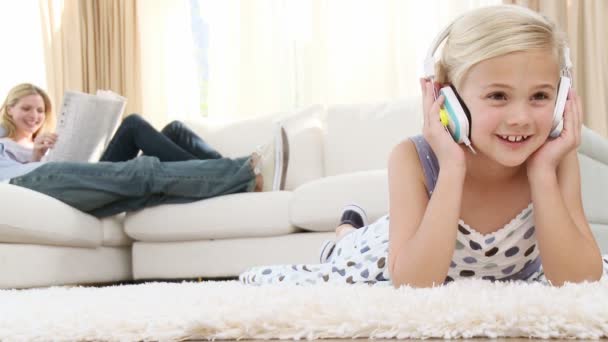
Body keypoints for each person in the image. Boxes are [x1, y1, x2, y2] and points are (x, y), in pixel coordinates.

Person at [239, 5, 608, 287]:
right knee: (343, 255)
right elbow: (415, 284)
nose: (521, 118)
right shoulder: (413, 159)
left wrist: (542, 174)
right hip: (389, 250)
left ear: (562, 101)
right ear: (444, 97)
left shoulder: (555, 161)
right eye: (498, 96)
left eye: (541, 96)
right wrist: (452, 169)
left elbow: (579, 281)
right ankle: (346, 232)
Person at [0, 83, 270, 218]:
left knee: (168, 130)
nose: (34, 115)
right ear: (8, 109)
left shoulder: (40, 145)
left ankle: (229, 173)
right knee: (143, 175)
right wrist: (33, 155)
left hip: (61, 176)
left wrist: (37, 154)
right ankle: (241, 172)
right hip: (38, 181)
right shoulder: (3, 140)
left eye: (39, 110)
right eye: (25, 108)